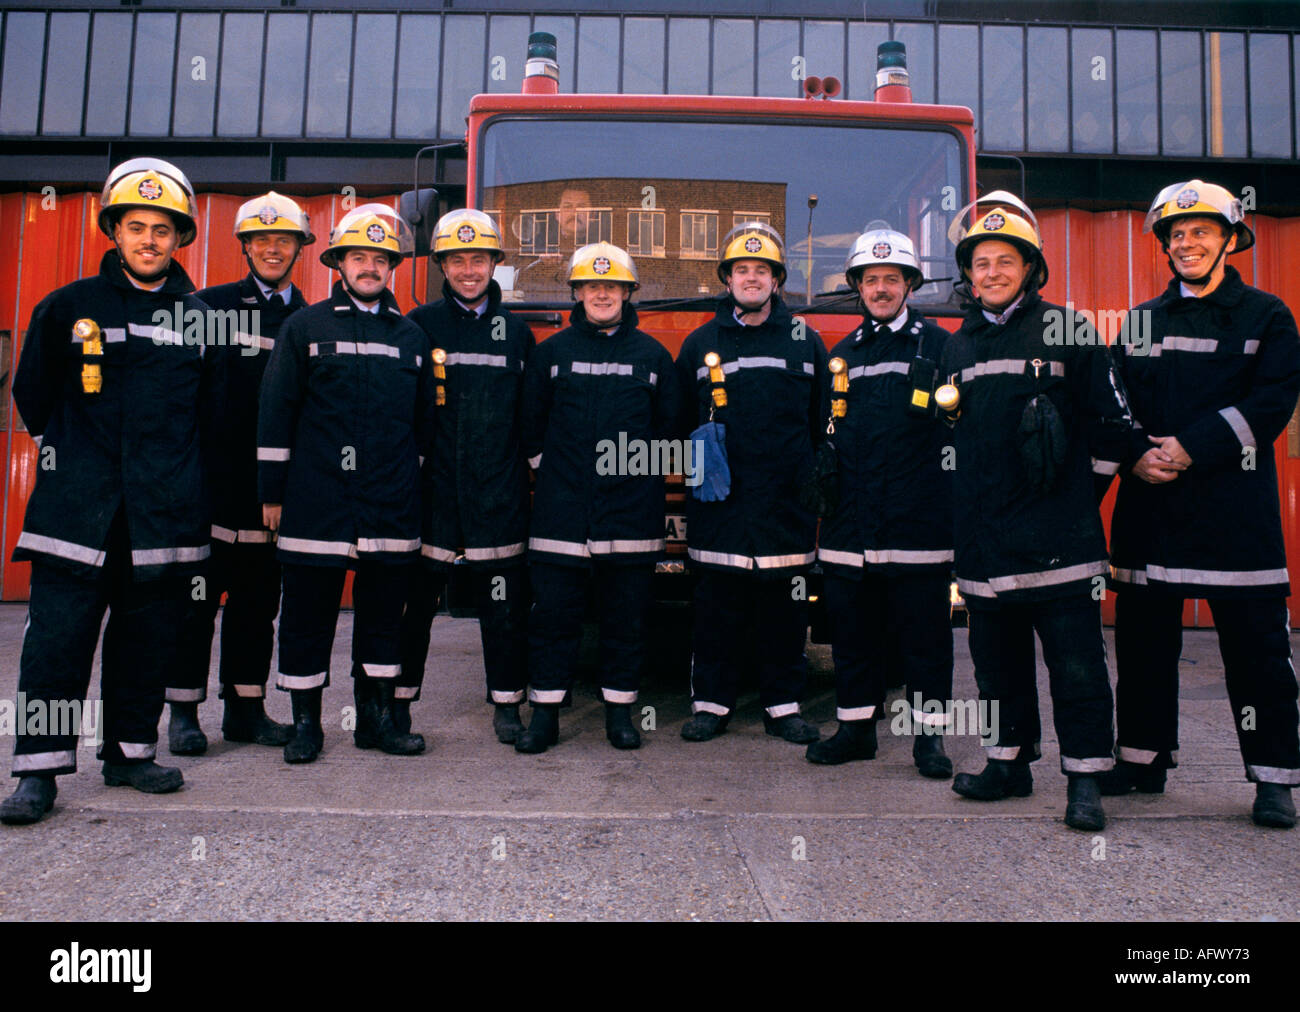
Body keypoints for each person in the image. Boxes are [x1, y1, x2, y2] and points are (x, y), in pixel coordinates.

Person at [2, 158, 208, 825]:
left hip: (162, 517)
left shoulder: (200, 319)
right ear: (114, 230)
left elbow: (212, 414)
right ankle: (39, 773)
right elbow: (31, 394)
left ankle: (129, 753)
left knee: (144, 643)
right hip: (76, 515)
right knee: (56, 646)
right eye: (136, 226)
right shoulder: (67, 306)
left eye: (163, 229)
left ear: (181, 238)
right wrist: (81, 461)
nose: (150, 240)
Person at [1104, 180, 1300, 829]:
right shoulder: (1139, 323)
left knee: (1258, 653)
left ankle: (1273, 779)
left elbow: (1271, 403)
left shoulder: (1267, 317)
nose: (1187, 242)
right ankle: (1140, 761)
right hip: (1151, 512)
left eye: (1200, 232)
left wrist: (1189, 447)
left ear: (1228, 239)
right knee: (1142, 645)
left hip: (1233, 516)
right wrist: (1134, 452)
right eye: (1176, 234)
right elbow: (1114, 400)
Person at [939, 192, 1133, 831]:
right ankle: (1008, 764)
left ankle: (1085, 780)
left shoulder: (1069, 329)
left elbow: (1112, 429)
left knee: (1076, 667)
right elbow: (943, 436)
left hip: (1060, 544)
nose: (991, 273)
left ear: (1030, 268)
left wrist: (1079, 501)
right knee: (996, 667)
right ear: (968, 273)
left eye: (1005, 261)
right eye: (980, 263)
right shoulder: (956, 346)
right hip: (984, 545)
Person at [258, 204, 435, 764]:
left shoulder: (411, 336)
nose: (370, 267)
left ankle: (376, 722)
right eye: (359, 256)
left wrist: (412, 486)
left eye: (380, 259)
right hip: (317, 498)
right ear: (338, 262)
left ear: (392, 268)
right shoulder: (304, 327)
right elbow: (276, 412)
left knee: (385, 616)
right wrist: (272, 493)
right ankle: (306, 725)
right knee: (307, 614)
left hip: (389, 501)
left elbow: (424, 426)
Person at [166, 192, 313, 755]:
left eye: (284, 239)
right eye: (261, 239)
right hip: (210, 488)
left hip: (274, 494)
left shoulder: (311, 318)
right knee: (194, 605)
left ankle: (245, 710)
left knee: (257, 606)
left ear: (300, 246)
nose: (273, 248)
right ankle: (182, 713)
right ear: (245, 246)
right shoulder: (207, 307)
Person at [517, 242, 678, 753]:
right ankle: (544, 716)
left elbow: (670, 433)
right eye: (592, 286)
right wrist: (556, 474)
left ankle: (619, 715)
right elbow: (529, 428)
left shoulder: (653, 357)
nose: (602, 294)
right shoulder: (550, 354)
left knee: (625, 621)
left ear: (628, 293)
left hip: (630, 515)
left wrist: (636, 481)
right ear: (578, 293)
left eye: (612, 287)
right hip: (561, 513)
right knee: (553, 619)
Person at [675, 222, 829, 745]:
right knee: (715, 613)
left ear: (777, 280)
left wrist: (807, 480)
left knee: (784, 616)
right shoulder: (699, 344)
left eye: (762, 270)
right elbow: (677, 421)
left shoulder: (806, 341)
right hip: (721, 507)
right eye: (742, 269)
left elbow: (820, 422)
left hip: (786, 506)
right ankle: (710, 706)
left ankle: (783, 708)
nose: (751, 278)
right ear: (727, 279)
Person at [810, 223, 955, 777]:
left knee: (924, 643)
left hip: (916, 523)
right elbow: (830, 430)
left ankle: (930, 741)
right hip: (851, 526)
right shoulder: (843, 352)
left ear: (910, 284)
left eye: (891, 278)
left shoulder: (940, 345)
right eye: (870, 280)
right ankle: (855, 731)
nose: (880, 288)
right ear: (858, 287)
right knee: (853, 638)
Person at [401, 209, 534, 744]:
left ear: (495, 264)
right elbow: (405, 410)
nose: (469, 270)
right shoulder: (419, 326)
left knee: (502, 606)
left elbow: (529, 420)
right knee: (416, 608)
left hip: (497, 493)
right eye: (457, 260)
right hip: (432, 492)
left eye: (478, 259)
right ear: (442, 266)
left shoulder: (516, 333)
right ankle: (399, 704)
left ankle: (506, 707)